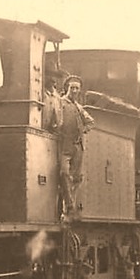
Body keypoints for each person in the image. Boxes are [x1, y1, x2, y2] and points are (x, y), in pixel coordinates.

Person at [44, 74, 94, 218]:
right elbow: (53, 117)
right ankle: (70, 204)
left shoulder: (79, 107)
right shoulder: (60, 102)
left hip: (77, 145)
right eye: (72, 88)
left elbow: (91, 121)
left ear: (79, 90)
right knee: (64, 173)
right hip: (64, 144)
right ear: (67, 88)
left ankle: (68, 209)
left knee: (77, 177)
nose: (74, 90)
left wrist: (83, 130)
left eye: (77, 88)